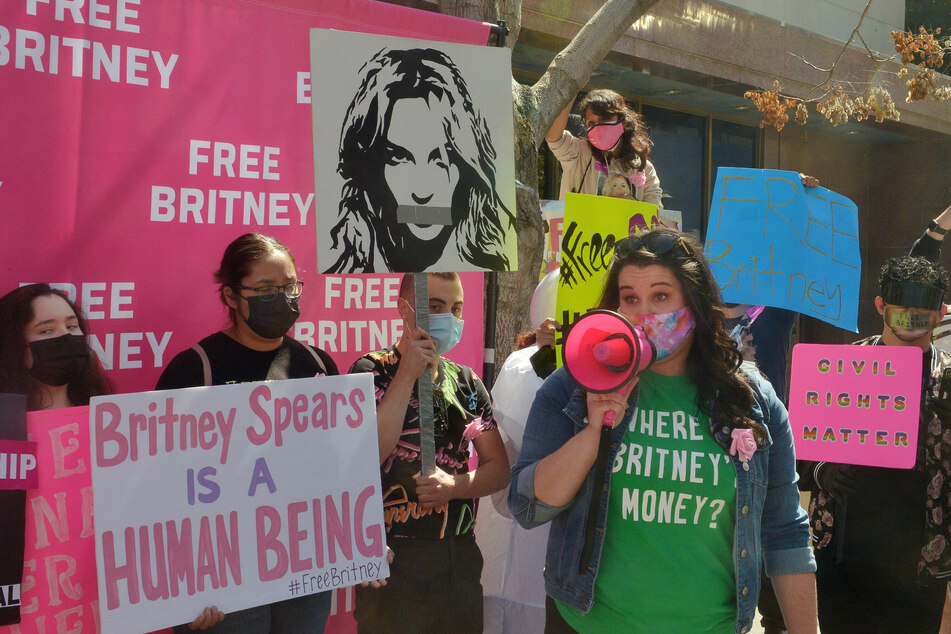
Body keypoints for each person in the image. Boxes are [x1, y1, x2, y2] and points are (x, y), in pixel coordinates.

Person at [509, 229, 817, 633]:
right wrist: (593, 430)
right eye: (630, 298)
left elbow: (785, 530)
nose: (642, 313)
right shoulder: (574, 385)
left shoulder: (751, 398)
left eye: (660, 297)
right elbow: (529, 507)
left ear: (694, 304)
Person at [156, 233, 338, 633]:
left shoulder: (317, 364)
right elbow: (162, 484)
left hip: (304, 566)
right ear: (231, 296)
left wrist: (358, 542)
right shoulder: (194, 369)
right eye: (266, 289)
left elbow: (339, 464)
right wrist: (186, 583)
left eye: (290, 286)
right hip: (223, 575)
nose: (283, 297)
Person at [351, 272, 509, 633]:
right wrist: (407, 374)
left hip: (458, 559)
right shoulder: (370, 371)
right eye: (435, 307)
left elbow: (498, 469)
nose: (448, 318)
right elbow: (364, 457)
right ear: (404, 310)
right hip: (392, 559)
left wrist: (455, 485)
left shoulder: (467, 383)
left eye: (456, 308)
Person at [804, 255, 951, 632]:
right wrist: (824, 471)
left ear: (940, 314)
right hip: (843, 554)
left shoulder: (948, 381)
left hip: (921, 561)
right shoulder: (837, 369)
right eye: (902, 310)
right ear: (881, 306)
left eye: (922, 312)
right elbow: (799, 454)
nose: (911, 320)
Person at [324, 48, 516, 274]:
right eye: (399, 157)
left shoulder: (492, 260)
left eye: (440, 158)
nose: (422, 192)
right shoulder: (347, 268)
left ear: (466, 162)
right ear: (370, 167)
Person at [0, 283, 112, 410]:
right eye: (46, 330)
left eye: (72, 326)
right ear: (13, 345)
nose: (66, 335)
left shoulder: (105, 411)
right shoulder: (6, 422)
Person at [545, 88, 663, 206]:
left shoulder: (644, 168)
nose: (598, 127)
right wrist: (570, 92)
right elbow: (553, 138)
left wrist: (631, 205)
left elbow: (656, 212)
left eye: (604, 118)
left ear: (624, 122)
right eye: (591, 123)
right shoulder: (579, 152)